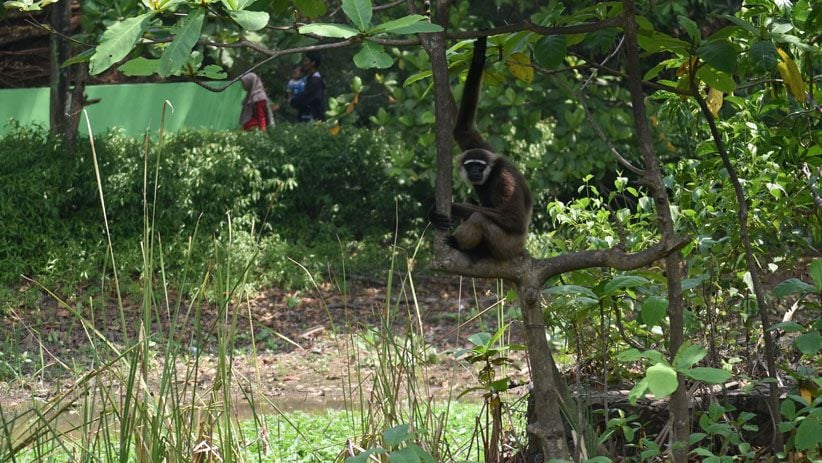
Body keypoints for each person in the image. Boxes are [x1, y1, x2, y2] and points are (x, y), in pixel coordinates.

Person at [289, 52, 326, 122]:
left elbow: (308, 97)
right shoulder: (307, 78)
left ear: (313, 63)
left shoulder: (315, 80)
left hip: (313, 116)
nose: (304, 63)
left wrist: (293, 101)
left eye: (306, 61)